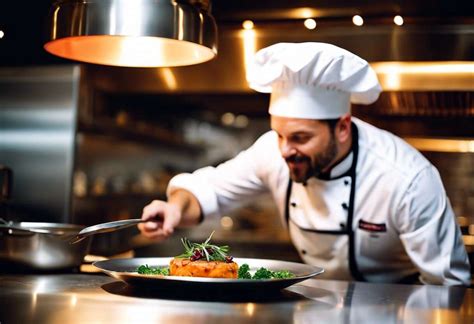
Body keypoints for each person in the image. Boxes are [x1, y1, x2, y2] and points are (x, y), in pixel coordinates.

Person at [138, 42, 471, 286]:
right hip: (316, 300)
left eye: (300, 138)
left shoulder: (406, 178)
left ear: (341, 127)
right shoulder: (274, 150)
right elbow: (208, 190)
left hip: (398, 304)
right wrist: (175, 209)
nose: (285, 150)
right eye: (279, 134)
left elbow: (448, 286)